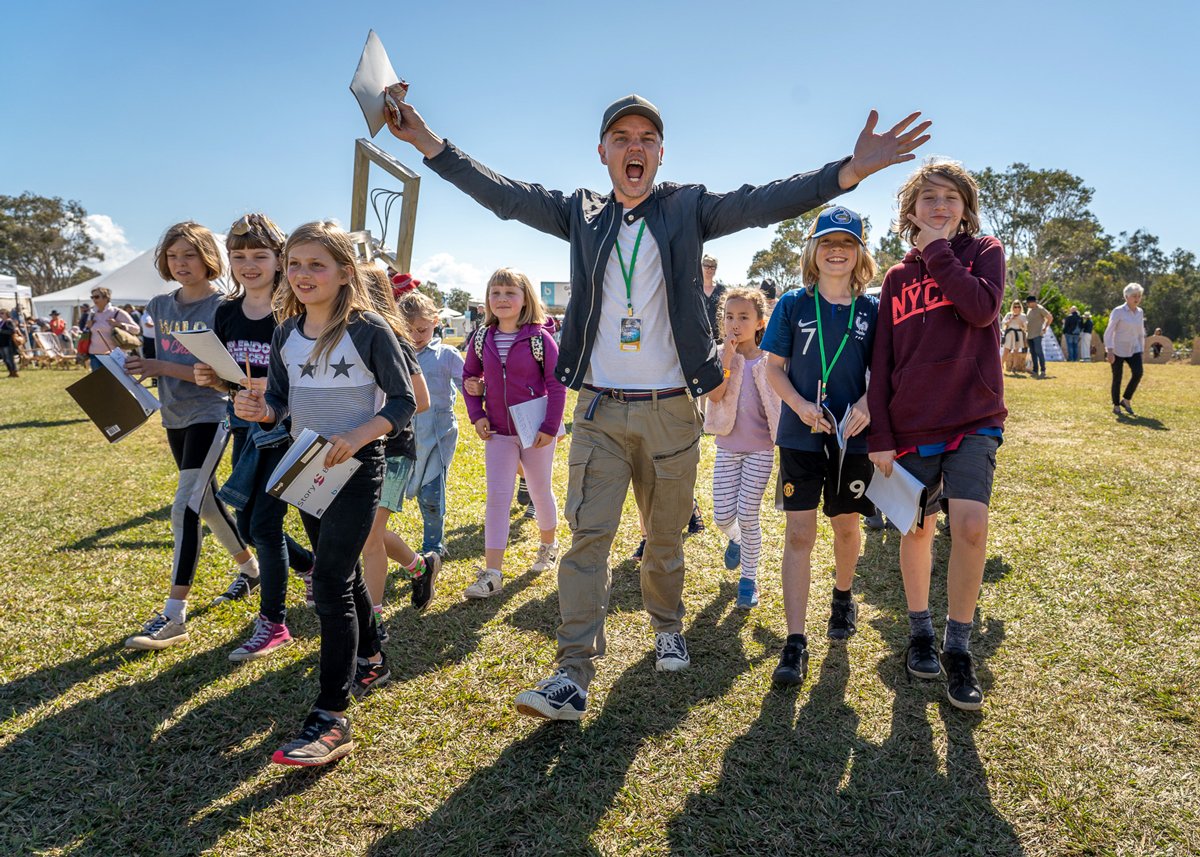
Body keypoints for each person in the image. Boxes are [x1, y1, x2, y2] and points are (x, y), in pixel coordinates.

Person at [385, 90, 929, 720]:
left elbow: (761, 202)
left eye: (646, 138)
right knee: (588, 539)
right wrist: (429, 143)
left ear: (661, 153)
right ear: (603, 153)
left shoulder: (686, 207)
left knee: (663, 539)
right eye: (622, 138)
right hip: (600, 410)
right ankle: (572, 672)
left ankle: (667, 623)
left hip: (673, 408)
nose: (634, 147)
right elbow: (504, 194)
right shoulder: (580, 214)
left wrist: (848, 172)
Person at [234, 221, 416, 766]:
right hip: (306, 467)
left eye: (317, 264)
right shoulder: (284, 330)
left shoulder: (369, 330)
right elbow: (282, 404)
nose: (303, 274)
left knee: (331, 579)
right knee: (344, 574)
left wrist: (360, 434)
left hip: (359, 468)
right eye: (295, 264)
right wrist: (259, 409)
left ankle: (331, 715)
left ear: (344, 272)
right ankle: (373, 657)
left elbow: (404, 401)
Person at [867, 160, 1006, 712]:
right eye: (928, 199)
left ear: (965, 208)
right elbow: (882, 362)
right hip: (911, 424)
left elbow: (979, 307)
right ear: (910, 211)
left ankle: (959, 644)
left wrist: (938, 252)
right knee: (918, 528)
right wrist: (880, 433)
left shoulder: (984, 252)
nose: (940, 206)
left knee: (970, 526)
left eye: (950, 197)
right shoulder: (896, 281)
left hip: (973, 417)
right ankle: (920, 632)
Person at [122, 222, 255, 651]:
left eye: (190, 255)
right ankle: (253, 570)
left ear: (208, 258)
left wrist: (161, 368)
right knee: (208, 503)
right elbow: (154, 357)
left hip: (211, 414)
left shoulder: (224, 306)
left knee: (185, 507)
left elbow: (221, 374)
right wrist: (134, 366)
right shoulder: (160, 304)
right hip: (173, 415)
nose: (181, 263)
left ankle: (174, 614)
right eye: (174, 256)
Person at [193, 214, 316, 660]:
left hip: (284, 429)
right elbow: (231, 377)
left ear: (279, 259)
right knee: (245, 520)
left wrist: (265, 389)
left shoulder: (295, 309)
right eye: (239, 256)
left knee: (263, 524)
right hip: (244, 427)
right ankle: (309, 566)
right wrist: (213, 377)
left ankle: (274, 622)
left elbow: (305, 374)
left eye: (259, 255)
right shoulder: (226, 311)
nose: (249, 264)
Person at [764, 207, 879, 685]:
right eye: (828, 242)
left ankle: (842, 596)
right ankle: (794, 642)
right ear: (813, 250)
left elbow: (888, 373)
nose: (837, 250)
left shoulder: (872, 310)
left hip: (852, 436)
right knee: (799, 535)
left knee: (847, 527)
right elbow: (773, 367)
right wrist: (797, 405)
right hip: (801, 436)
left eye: (848, 243)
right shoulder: (792, 303)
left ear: (859, 254)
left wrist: (869, 404)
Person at [461, 268, 565, 599]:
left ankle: (548, 545)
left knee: (538, 490)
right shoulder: (481, 338)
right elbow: (468, 378)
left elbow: (556, 384)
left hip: (535, 431)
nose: (502, 299)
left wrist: (550, 427)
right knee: (498, 497)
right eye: (496, 293)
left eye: (510, 293)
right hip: (498, 433)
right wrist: (476, 414)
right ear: (487, 300)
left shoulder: (540, 338)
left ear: (525, 299)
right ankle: (492, 573)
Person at [358, 265, 436, 638]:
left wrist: (369, 420)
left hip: (391, 451)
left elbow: (420, 400)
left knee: (370, 537)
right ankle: (420, 567)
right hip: (352, 450)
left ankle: (372, 622)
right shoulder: (338, 336)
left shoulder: (394, 339)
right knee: (363, 532)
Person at [704, 287, 779, 610]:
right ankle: (735, 539)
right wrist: (726, 358)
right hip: (728, 447)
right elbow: (716, 396)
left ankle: (749, 579)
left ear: (760, 322)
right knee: (722, 516)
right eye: (729, 316)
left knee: (748, 513)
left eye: (744, 317)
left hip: (761, 448)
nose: (735, 323)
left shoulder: (770, 360)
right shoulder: (720, 355)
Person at [399, 290, 465, 558]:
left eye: (422, 329)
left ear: (435, 322)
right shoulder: (397, 353)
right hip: (404, 436)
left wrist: (479, 391)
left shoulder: (447, 355)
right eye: (409, 330)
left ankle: (433, 547)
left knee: (431, 495)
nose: (415, 336)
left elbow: (468, 386)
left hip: (439, 435)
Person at [1105, 283, 1146, 416]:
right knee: (1117, 378)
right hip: (1117, 349)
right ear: (1126, 297)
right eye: (1134, 296)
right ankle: (1116, 405)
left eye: (1139, 296)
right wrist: (1109, 350)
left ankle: (1126, 399)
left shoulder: (1140, 312)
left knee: (1138, 373)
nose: (1137, 298)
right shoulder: (1118, 311)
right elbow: (1109, 332)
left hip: (1134, 348)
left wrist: (1142, 349)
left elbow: (1140, 332)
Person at [84, 286, 139, 370]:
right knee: (99, 382)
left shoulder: (117, 312)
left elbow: (136, 329)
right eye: (92, 297)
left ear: (106, 298)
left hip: (113, 354)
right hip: (94, 355)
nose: (94, 299)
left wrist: (119, 324)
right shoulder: (92, 313)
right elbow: (87, 331)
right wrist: (88, 326)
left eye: (97, 297)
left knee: (115, 382)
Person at [1024, 294, 1053, 378]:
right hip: (1029, 334)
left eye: (1028, 303)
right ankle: (1035, 370)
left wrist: (1045, 327)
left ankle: (1043, 370)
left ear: (1032, 302)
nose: (1027, 304)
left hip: (1037, 334)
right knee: (1033, 353)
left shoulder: (1040, 309)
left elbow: (1050, 317)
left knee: (1039, 352)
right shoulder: (1029, 310)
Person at [1000, 300, 1027, 374]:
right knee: (1006, 350)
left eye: (1018, 306)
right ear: (1013, 307)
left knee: (1016, 351)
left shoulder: (1023, 315)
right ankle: (1001, 366)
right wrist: (1011, 319)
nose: (1017, 308)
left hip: (1018, 333)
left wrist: (1018, 320)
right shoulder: (1009, 314)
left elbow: (1025, 327)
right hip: (1010, 333)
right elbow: (1004, 323)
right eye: (1015, 306)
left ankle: (1014, 367)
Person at [0, 309, 18, 377]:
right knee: (5, 359)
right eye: (0, 313)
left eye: (2, 313)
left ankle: (14, 371)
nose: (1, 315)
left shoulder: (9, 322)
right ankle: (10, 371)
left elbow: (12, 331)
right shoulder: (1, 322)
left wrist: (2, 331)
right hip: (1, 343)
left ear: (7, 314)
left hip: (7, 343)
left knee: (9, 358)